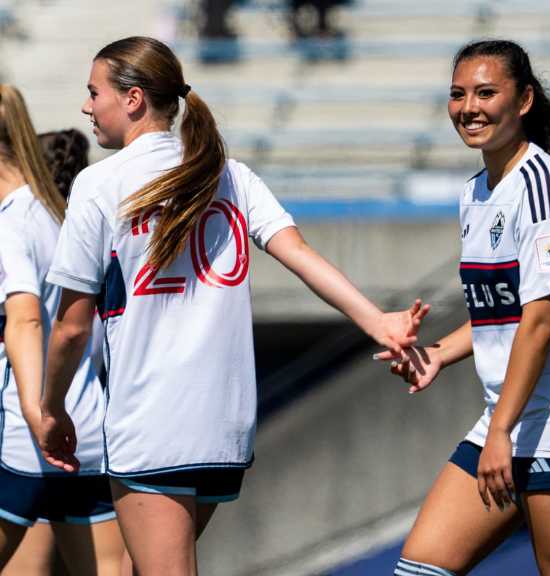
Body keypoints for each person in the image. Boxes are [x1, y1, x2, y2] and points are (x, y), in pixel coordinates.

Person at [32, 36, 429, 575]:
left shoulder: (100, 183)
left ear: (132, 99)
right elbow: (300, 254)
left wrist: (50, 408)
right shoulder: (231, 174)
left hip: (154, 421)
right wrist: (376, 319)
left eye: (93, 92)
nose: (86, 107)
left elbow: (71, 328)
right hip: (225, 424)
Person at [376, 39, 550, 576]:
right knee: (420, 569)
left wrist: (500, 433)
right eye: (458, 94)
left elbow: (539, 321)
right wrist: (440, 353)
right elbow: (506, 313)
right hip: (507, 419)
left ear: (524, 100)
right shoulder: (476, 192)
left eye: (486, 92)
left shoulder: (541, 186)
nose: (469, 107)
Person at [0, 86, 123, 574]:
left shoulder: (9, 221)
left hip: (28, 432)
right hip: (87, 426)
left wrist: (37, 411)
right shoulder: (51, 210)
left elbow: (26, 317)